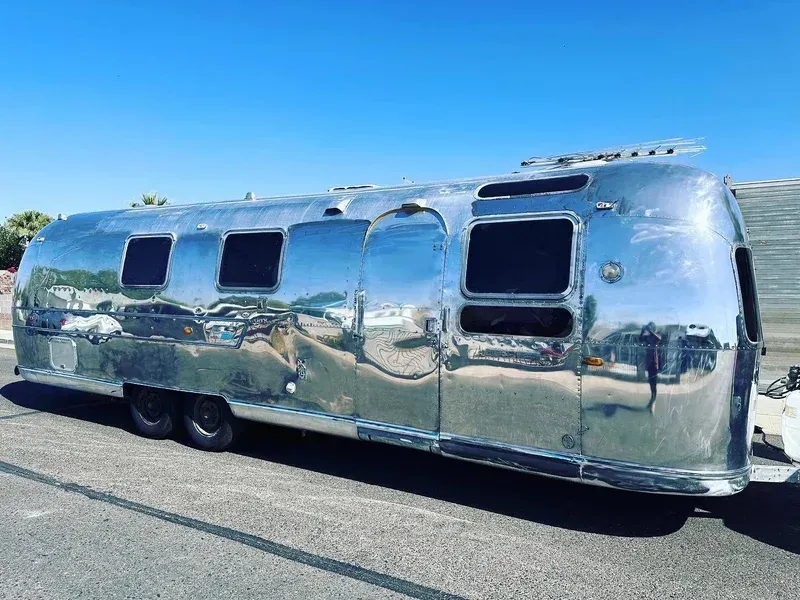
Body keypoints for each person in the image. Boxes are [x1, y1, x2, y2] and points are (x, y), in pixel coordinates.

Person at [639, 322, 662, 414]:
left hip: (655, 362)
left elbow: (658, 338)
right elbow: (640, 339)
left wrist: (651, 332)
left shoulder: (656, 335)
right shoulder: (647, 337)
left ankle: (653, 402)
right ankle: (652, 399)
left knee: (654, 383)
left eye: (649, 328)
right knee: (650, 382)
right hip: (649, 362)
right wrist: (642, 331)